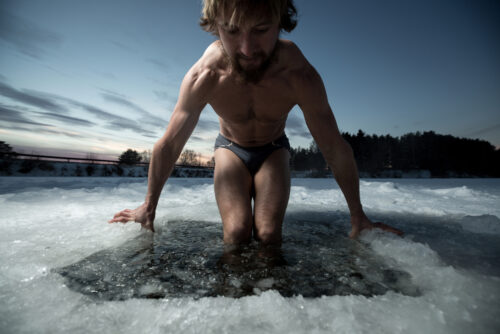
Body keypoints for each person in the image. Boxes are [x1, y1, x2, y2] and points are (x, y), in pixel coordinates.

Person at [109, 0, 403, 244]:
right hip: (229, 149)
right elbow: (170, 143)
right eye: (232, 31)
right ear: (216, 26)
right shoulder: (206, 75)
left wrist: (358, 216)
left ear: (279, 23)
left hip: (273, 149)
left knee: (268, 233)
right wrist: (148, 207)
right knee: (236, 232)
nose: (247, 49)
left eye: (261, 30)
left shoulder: (298, 75)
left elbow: (334, 147)